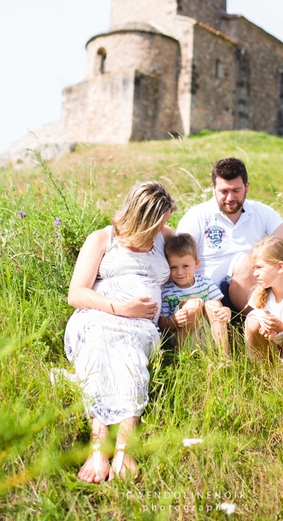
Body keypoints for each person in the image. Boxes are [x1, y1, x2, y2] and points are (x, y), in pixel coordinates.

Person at [62, 181, 176, 484]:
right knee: (99, 347)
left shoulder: (166, 238)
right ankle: (98, 448)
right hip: (97, 316)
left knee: (130, 358)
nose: (166, 224)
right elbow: (76, 293)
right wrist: (121, 308)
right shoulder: (102, 239)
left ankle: (125, 447)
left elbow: (185, 273)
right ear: (143, 219)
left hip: (140, 327)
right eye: (161, 220)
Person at [175, 158, 283, 319]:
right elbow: (179, 256)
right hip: (215, 290)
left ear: (247, 187)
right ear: (213, 188)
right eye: (223, 191)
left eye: (236, 190)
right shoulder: (197, 216)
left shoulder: (259, 211)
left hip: (257, 280)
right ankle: (274, 327)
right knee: (246, 260)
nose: (229, 198)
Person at [157, 232, 231, 353]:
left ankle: (224, 356)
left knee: (213, 305)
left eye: (185, 266)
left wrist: (225, 312)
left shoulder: (205, 282)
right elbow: (163, 325)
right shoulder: (167, 290)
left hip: (206, 335)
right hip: (182, 336)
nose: (180, 272)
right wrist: (174, 321)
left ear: (196, 264)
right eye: (173, 267)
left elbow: (219, 308)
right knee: (194, 304)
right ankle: (180, 355)